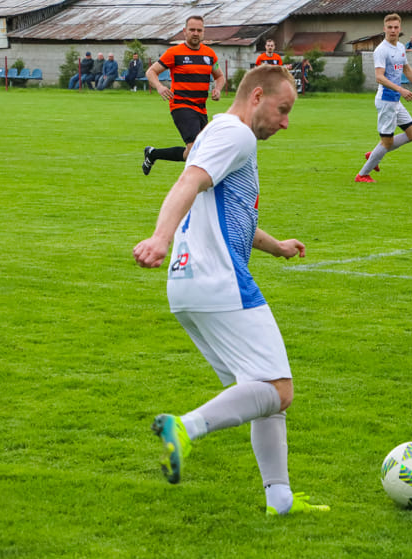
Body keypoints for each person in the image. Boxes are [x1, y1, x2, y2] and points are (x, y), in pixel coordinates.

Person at [133, 64, 330, 517]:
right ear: (257, 96)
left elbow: (227, 208)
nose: (285, 122)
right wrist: (159, 237)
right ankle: (182, 428)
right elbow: (188, 182)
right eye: (283, 110)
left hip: (190, 284)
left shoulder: (220, 133)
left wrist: (274, 246)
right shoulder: (236, 134)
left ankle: (279, 501)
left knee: (262, 390)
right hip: (218, 279)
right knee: (278, 389)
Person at [142, 15, 225, 175]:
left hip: (201, 108)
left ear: (203, 32)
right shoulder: (174, 53)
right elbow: (151, 71)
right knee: (195, 148)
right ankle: (191, 187)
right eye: (192, 30)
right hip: (181, 105)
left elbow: (220, 76)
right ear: (184, 31)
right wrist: (159, 87)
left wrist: (218, 89)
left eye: (199, 30)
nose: (195, 33)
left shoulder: (209, 55)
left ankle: (153, 154)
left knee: (198, 152)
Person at [355, 13, 412, 183]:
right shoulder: (381, 50)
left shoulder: (401, 47)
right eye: (389, 27)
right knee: (387, 142)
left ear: (400, 29)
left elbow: (407, 69)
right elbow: (379, 77)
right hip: (386, 100)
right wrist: (401, 90)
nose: (393, 30)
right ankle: (362, 175)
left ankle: (376, 153)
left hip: (395, 100)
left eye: (396, 27)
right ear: (384, 29)